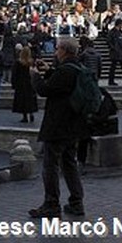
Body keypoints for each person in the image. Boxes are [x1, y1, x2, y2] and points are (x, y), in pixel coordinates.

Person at [29, 36, 87, 219]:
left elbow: (45, 90)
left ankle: (51, 203)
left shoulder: (64, 71)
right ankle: (77, 202)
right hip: (74, 124)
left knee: (50, 164)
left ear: (63, 50)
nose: (55, 52)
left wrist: (35, 76)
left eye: (57, 49)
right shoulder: (77, 68)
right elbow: (61, 84)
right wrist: (50, 70)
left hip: (58, 124)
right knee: (69, 163)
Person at [12, 46, 39, 123]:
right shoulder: (31, 62)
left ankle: (25, 116)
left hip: (20, 84)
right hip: (30, 83)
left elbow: (15, 74)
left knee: (22, 101)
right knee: (30, 100)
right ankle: (31, 113)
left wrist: (14, 84)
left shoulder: (18, 62)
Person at [105, 20, 122, 86]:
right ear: (119, 24)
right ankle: (111, 81)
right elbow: (109, 41)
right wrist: (113, 48)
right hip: (115, 53)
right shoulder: (112, 32)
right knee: (113, 68)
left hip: (121, 53)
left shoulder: (121, 33)